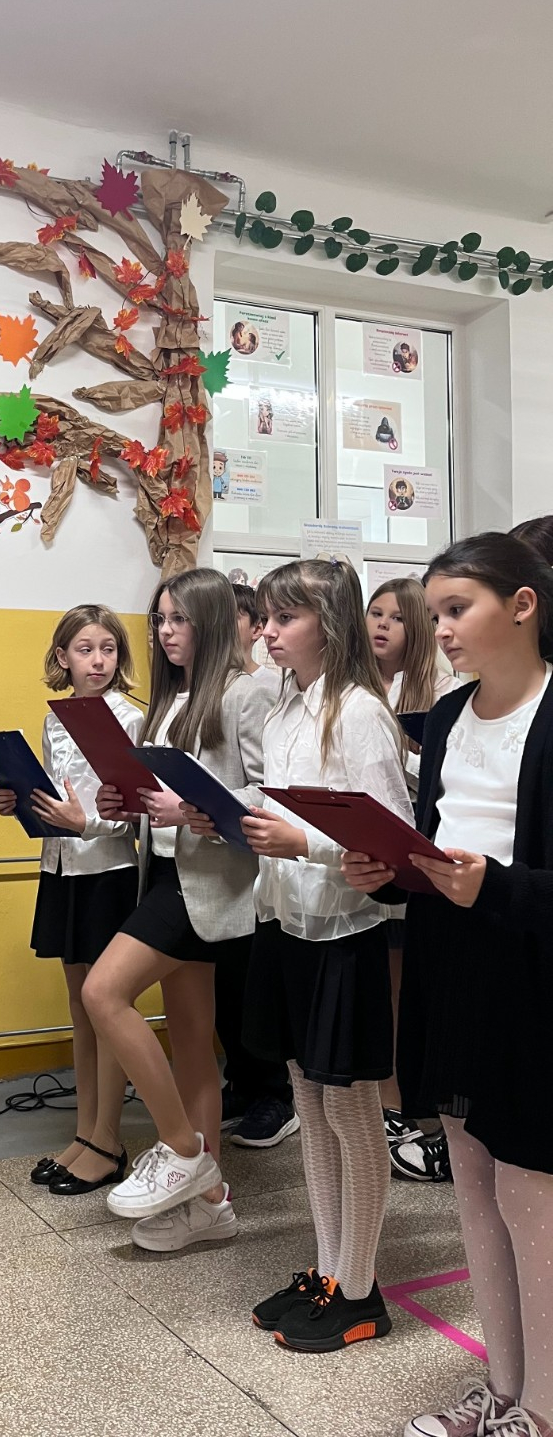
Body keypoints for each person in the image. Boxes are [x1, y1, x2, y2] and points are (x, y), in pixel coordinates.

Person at [345, 534, 553, 1437]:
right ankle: (501, 1388)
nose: (442, 631)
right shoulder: (453, 713)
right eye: (434, 616)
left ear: (523, 605)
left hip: (531, 974)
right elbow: (437, 846)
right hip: (450, 962)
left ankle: (542, 1406)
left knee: (531, 1195)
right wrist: (388, 874)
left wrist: (493, 887)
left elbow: (504, 872)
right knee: (472, 1181)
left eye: (457, 609)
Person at [235, 557, 411, 1352]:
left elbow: (388, 839)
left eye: (285, 618)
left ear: (328, 625)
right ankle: (329, 1269)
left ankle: (362, 1291)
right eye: (267, 618)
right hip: (288, 923)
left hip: (343, 931)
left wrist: (301, 842)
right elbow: (281, 807)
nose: (268, 632)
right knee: (308, 1103)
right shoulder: (284, 710)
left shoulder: (360, 713)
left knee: (349, 1110)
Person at [84, 569, 277, 1251]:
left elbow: (266, 794)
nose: (166, 631)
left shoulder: (246, 692)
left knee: (102, 992)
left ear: (211, 621)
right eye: (160, 619)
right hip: (165, 872)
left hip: (207, 883)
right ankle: (210, 1204)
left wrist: (192, 808)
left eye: (179, 619)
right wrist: (123, 804)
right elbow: (154, 800)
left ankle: (183, 1150)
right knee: (193, 1042)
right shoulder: (168, 701)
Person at [0, 605, 142, 1196]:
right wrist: (20, 803)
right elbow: (54, 799)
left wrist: (86, 824)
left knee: (106, 1010)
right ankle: (85, 1133)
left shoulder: (130, 717)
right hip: (61, 868)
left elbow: (132, 813)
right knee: (80, 1011)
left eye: (108, 648)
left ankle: (109, 1140)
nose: (98, 660)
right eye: (85, 649)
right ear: (63, 657)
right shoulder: (54, 719)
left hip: (109, 872)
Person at [366, 576, 462, 1182]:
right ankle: (389, 1105)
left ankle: (411, 1108)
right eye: (374, 614)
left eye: (397, 617)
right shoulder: (358, 688)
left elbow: (439, 781)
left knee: (406, 991)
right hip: (373, 860)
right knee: (382, 988)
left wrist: (400, 751)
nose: (381, 626)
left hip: (422, 856)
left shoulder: (441, 691)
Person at [215, 580, 297, 1148]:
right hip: (217, 850)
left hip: (255, 856)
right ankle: (243, 1082)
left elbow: (267, 783)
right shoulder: (207, 687)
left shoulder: (262, 689)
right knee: (225, 987)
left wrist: (211, 803)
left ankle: (273, 1093)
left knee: (248, 984)